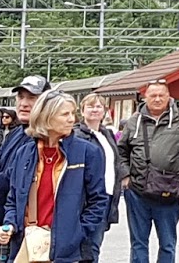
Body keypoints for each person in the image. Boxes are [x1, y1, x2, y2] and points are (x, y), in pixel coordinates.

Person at [0, 91, 108, 263]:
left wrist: (77, 233)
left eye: (72, 113)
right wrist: (9, 225)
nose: (72, 119)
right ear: (46, 117)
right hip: (27, 246)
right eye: (65, 114)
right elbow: (13, 199)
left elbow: (98, 201)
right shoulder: (24, 153)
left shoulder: (88, 152)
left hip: (66, 252)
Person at [117, 79, 179, 263]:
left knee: (168, 243)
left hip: (169, 192)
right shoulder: (134, 121)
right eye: (153, 95)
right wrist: (125, 177)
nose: (157, 99)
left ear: (169, 96)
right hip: (137, 192)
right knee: (138, 243)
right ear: (145, 97)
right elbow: (121, 151)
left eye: (161, 95)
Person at [0, 76, 54, 249]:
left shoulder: (44, 139)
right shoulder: (17, 133)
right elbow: (0, 164)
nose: (23, 103)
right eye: (20, 97)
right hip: (3, 222)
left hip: (25, 227)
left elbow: (11, 178)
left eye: (31, 98)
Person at [74, 94, 126, 263]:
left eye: (99, 107)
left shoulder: (107, 134)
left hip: (107, 194)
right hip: (89, 199)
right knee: (88, 247)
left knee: (95, 243)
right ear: (82, 110)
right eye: (90, 106)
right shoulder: (77, 135)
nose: (95, 110)